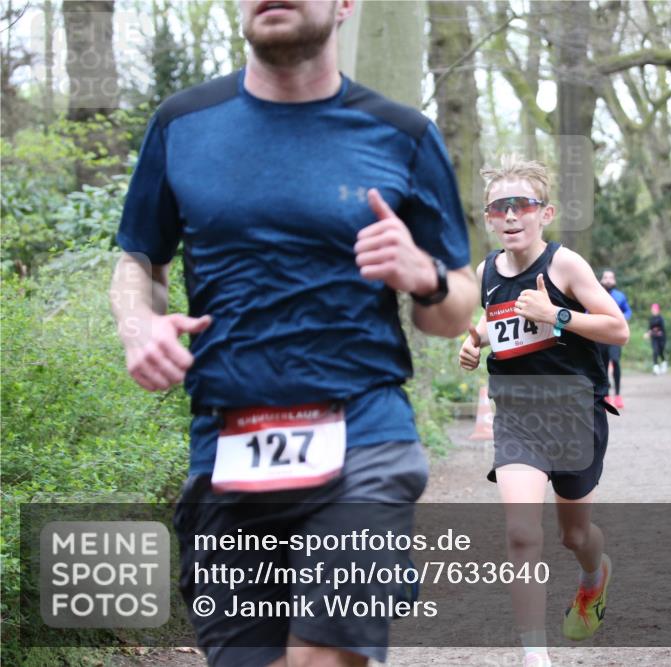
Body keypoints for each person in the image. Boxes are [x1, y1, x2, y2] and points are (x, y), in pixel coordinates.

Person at [109, 1, 477, 665]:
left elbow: (454, 307)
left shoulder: (402, 134)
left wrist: (422, 274)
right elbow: (140, 259)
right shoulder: (183, 125)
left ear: (344, 6)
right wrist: (138, 323)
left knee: (322, 659)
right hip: (227, 447)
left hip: (362, 439)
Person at [459, 156, 629, 667]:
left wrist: (556, 313)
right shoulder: (485, 271)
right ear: (489, 218)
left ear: (545, 213)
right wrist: (474, 345)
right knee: (521, 532)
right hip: (517, 416)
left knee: (574, 535)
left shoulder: (564, 265)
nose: (510, 216)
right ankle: (536, 656)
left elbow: (617, 329)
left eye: (521, 206)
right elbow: (495, 323)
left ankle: (593, 577)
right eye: (498, 208)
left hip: (574, 414)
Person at [598, 270, 632, 409]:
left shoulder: (620, 296)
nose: (608, 280)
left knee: (615, 361)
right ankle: (605, 395)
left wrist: (623, 318)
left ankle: (617, 395)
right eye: (605, 277)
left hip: (614, 336)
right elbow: (587, 311)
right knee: (602, 365)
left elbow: (628, 311)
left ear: (615, 281)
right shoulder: (596, 294)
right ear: (601, 280)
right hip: (599, 335)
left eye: (611, 277)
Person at [645, 303, 667, 375]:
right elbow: (650, 328)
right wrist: (648, 333)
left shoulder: (660, 318)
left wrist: (654, 332)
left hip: (661, 338)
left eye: (654, 309)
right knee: (655, 351)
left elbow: (661, 330)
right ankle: (655, 367)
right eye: (652, 309)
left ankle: (664, 363)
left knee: (660, 352)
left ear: (658, 310)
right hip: (654, 338)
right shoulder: (651, 319)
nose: (653, 311)